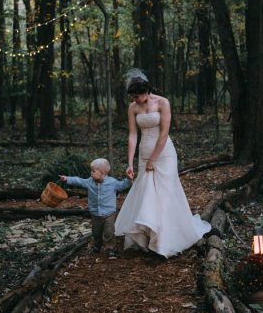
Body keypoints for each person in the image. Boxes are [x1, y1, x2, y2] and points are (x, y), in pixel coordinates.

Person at [115, 69, 211, 258]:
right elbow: (133, 135)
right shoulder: (133, 107)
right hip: (144, 152)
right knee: (146, 193)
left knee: (165, 192)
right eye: (133, 96)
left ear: (147, 91)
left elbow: (164, 133)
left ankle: (165, 241)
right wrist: (130, 163)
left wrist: (153, 159)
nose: (136, 99)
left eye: (139, 96)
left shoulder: (162, 103)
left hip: (164, 153)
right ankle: (148, 236)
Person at [59, 158, 131, 256]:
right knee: (96, 233)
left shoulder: (112, 182)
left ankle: (111, 249)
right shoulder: (89, 182)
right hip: (95, 213)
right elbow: (79, 181)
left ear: (102, 172)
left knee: (109, 232)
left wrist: (129, 179)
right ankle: (97, 246)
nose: (91, 173)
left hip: (109, 213)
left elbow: (122, 185)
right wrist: (67, 178)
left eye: (93, 171)